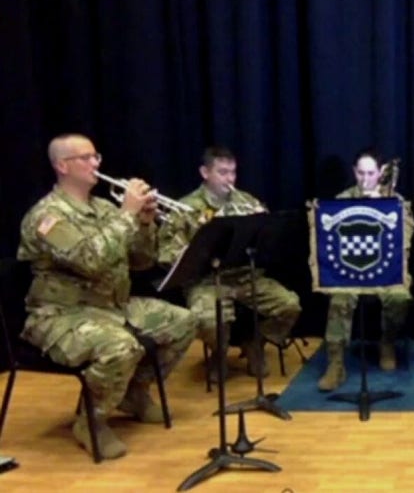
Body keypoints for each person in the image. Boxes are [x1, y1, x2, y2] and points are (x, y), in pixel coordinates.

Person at [17, 133, 198, 459]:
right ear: (61, 165)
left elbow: (142, 262)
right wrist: (127, 214)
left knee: (183, 321)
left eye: (96, 156)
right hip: (62, 315)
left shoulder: (103, 208)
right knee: (120, 347)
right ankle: (91, 421)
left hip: (111, 306)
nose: (96, 163)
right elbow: (91, 260)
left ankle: (134, 392)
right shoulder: (46, 217)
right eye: (85, 158)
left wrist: (144, 224)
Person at [158, 146, 301, 381]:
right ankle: (219, 354)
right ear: (205, 172)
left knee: (290, 306)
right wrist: (194, 252)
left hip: (246, 276)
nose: (230, 179)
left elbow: (267, 238)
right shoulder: (186, 207)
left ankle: (256, 343)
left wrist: (261, 226)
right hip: (207, 281)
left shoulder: (246, 200)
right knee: (207, 320)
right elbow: (166, 255)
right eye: (222, 172)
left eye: (233, 172)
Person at [317, 151, 414, 391]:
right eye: (360, 173)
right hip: (349, 270)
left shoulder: (396, 201)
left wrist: (378, 208)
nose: (364, 179)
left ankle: (387, 342)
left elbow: (406, 240)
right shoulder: (341, 200)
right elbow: (329, 240)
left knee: (400, 297)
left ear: (380, 173)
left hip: (386, 269)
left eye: (371, 173)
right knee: (340, 297)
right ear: (354, 172)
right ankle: (336, 363)